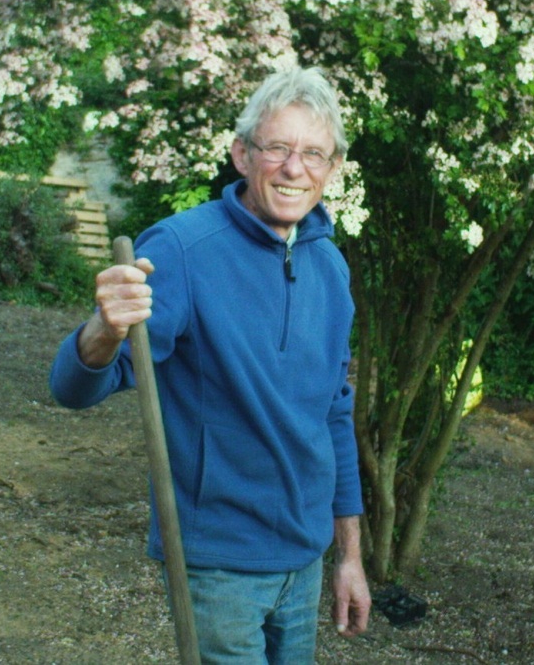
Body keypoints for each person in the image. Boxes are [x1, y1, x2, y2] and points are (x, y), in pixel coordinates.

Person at [49, 67, 371, 663]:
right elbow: (72, 390)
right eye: (277, 148)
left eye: (313, 153)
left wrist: (348, 556)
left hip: (304, 560)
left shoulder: (330, 268)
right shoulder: (180, 251)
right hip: (219, 564)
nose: (294, 168)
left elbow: (334, 415)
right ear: (242, 154)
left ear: (334, 168)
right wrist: (103, 329)